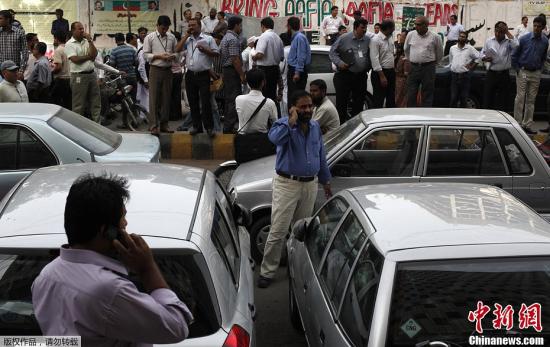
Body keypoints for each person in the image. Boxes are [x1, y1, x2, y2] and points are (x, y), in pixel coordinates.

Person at [31, 173, 193, 345]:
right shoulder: (109, 290)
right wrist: (147, 268)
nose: (125, 224)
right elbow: (176, 327)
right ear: (106, 231)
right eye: (122, 217)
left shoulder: (45, 276)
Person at [258, 90, 332, 288]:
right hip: (287, 184)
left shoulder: (316, 127)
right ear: (293, 108)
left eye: (309, 106)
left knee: (301, 230)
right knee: (279, 229)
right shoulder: (283, 125)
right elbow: (274, 139)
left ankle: (297, 266)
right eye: (303, 107)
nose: (307, 109)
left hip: (310, 184)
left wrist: (325, 181)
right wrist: (291, 121)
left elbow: (321, 155)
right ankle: (267, 271)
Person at [143, 15, 186, 134]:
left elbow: (178, 53)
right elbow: (145, 55)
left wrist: (173, 56)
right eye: (162, 28)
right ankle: (153, 125)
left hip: (168, 70)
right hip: (155, 69)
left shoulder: (172, 37)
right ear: (157, 25)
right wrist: (158, 56)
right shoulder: (150, 37)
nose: (164, 30)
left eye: (166, 28)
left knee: (166, 99)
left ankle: (164, 125)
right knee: (154, 98)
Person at [181, 18, 219, 136]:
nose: (191, 27)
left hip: (203, 74)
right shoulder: (187, 40)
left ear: (199, 26)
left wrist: (205, 50)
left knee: (205, 101)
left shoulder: (208, 39)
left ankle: (209, 128)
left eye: (193, 25)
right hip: (190, 74)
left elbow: (216, 53)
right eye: (189, 25)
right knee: (193, 102)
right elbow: (177, 49)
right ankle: (197, 127)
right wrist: (186, 36)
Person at [329, 18, 371, 123]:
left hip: (360, 76)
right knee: (342, 104)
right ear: (355, 28)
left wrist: (367, 66)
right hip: (345, 75)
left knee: (359, 103)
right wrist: (339, 63)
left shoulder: (367, 40)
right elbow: (332, 53)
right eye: (362, 28)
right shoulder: (344, 38)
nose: (364, 30)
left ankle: (356, 128)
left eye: (366, 28)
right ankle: (341, 127)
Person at [512, 16, 549, 135]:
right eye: (535, 26)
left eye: (539, 26)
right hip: (523, 71)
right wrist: (517, 69)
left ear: (543, 28)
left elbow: (543, 57)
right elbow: (514, 55)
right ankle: (517, 125)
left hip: (536, 73)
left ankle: (527, 125)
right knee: (520, 98)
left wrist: (540, 69)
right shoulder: (524, 39)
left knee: (531, 100)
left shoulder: (545, 41)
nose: (536, 28)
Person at [65, 22, 101, 122]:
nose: (82, 31)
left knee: (96, 102)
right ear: (73, 31)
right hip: (79, 77)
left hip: (92, 75)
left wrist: (90, 40)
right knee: (79, 105)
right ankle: (77, 129)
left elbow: (94, 54)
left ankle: (97, 126)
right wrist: (89, 57)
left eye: (82, 29)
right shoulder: (69, 44)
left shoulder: (87, 41)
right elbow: (75, 59)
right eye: (79, 29)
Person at [404, 16, 443, 107]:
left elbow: (440, 53)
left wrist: (433, 64)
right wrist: (411, 60)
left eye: (419, 24)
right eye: (415, 24)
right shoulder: (410, 35)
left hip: (428, 68)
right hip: (413, 67)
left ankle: (425, 117)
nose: (416, 26)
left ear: (426, 25)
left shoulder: (435, 37)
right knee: (411, 92)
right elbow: (406, 49)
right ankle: (411, 116)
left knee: (427, 93)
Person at [481, 21, 518, 111]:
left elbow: (516, 45)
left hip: (504, 75)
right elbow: (481, 53)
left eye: (501, 32)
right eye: (496, 31)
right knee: (488, 99)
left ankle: (502, 121)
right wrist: (484, 58)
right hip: (491, 74)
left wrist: (507, 32)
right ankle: (488, 119)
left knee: (504, 100)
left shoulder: (509, 41)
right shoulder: (489, 41)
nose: (497, 34)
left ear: (504, 32)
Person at [252, 17, 285, 115]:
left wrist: (254, 57)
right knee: (272, 97)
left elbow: (260, 54)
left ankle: (266, 121)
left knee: (264, 97)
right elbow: (282, 57)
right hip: (275, 69)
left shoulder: (264, 36)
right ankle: (275, 119)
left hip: (264, 70)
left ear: (263, 26)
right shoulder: (278, 37)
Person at [220, 16, 245, 133]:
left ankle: (227, 126)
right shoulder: (233, 39)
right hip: (232, 71)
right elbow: (235, 59)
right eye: (240, 25)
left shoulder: (226, 37)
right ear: (236, 25)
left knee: (229, 99)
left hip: (227, 70)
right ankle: (229, 127)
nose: (241, 28)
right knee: (234, 99)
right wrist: (241, 75)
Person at [109, 33, 138, 128]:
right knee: (133, 99)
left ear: (116, 41)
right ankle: (134, 120)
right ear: (124, 39)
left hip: (122, 79)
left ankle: (125, 123)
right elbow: (136, 62)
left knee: (124, 101)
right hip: (133, 77)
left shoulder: (114, 51)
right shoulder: (132, 49)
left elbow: (112, 65)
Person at [236, 68, 278, 133]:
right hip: (261, 140)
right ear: (263, 83)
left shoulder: (238, 99)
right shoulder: (270, 103)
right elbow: (275, 124)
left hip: (242, 139)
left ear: (247, 83)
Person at [449, 31, 479, 108]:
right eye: (460, 36)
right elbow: (451, 60)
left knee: (463, 98)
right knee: (453, 98)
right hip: (454, 76)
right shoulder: (452, 48)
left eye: (463, 37)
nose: (461, 38)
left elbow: (478, 57)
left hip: (465, 76)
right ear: (458, 37)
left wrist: (472, 67)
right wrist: (452, 66)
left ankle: (462, 117)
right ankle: (452, 116)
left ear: (466, 39)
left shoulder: (470, 48)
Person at [370, 19, 396, 108]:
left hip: (391, 72)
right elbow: (374, 59)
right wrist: (382, 76)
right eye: (393, 29)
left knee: (391, 99)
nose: (393, 31)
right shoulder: (375, 40)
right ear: (388, 29)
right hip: (380, 74)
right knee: (378, 100)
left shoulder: (390, 38)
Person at [287, 16, 311, 102]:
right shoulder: (297, 37)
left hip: (296, 71)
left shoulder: (299, 37)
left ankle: (296, 115)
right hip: (294, 70)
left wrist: (297, 72)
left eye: (287, 26)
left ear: (289, 26)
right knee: (293, 98)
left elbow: (301, 56)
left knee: (295, 99)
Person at [0, 10, 28, 80]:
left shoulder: (19, 33)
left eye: (0, 18)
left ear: (7, 19)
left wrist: (21, 71)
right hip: (1, 70)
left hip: (14, 70)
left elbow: (25, 52)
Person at [51, 30, 71, 109]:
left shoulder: (58, 50)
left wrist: (51, 72)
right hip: (70, 79)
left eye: (54, 39)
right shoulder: (69, 48)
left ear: (56, 39)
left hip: (61, 80)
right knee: (68, 103)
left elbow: (58, 67)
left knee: (55, 102)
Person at [394, 29, 410, 107]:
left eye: (403, 36)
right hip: (397, 77)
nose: (401, 37)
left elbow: (406, 70)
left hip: (403, 78)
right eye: (400, 36)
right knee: (397, 97)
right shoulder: (399, 46)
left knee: (402, 99)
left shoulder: (408, 49)